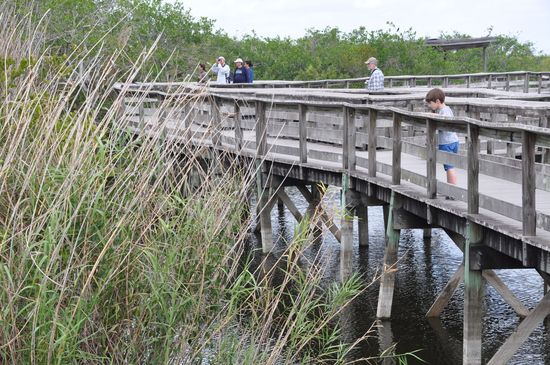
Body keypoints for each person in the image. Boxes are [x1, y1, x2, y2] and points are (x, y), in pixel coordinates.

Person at [425, 88, 459, 189]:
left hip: (447, 143)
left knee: (449, 167)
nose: (429, 106)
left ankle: (452, 190)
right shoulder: (447, 109)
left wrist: (432, 116)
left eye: (430, 103)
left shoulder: (444, 112)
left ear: (437, 101)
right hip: (454, 141)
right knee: (450, 166)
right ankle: (450, 189)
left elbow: (443, 122)